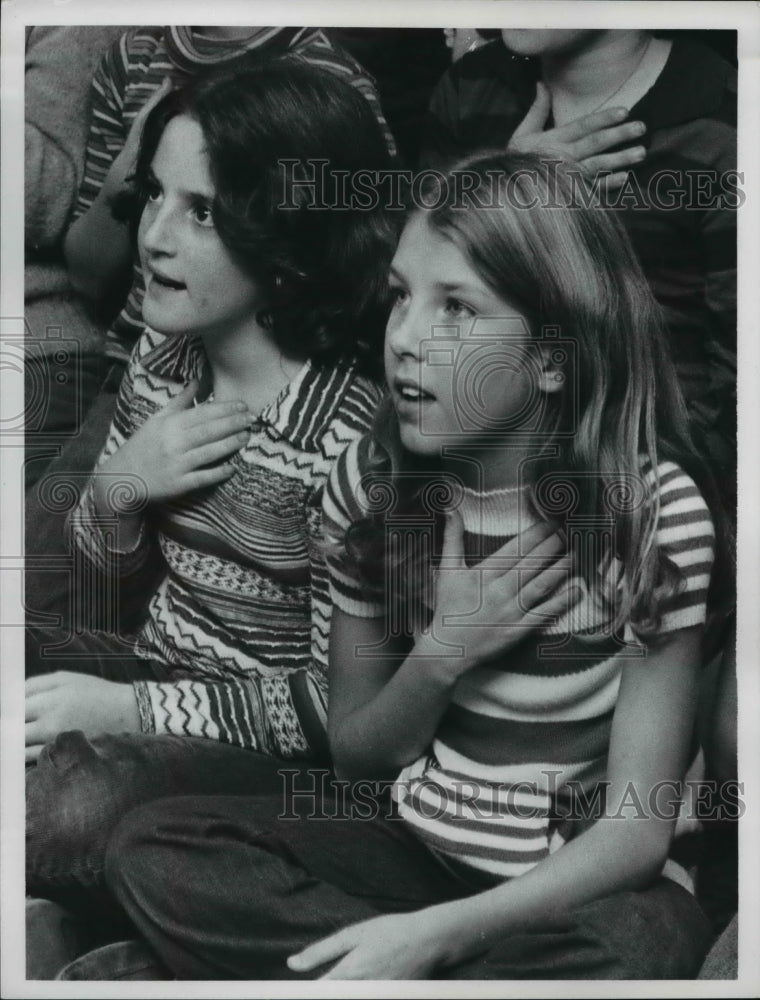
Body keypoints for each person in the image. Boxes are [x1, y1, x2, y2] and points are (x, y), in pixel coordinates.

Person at [100, 152, 728, 980]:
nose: (403, 339)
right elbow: (359, 757)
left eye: (457, 310)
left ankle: (386, 965)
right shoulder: (373, 487)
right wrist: (443, 654)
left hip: (568, 884)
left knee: (651, 939)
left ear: (550, 356)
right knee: (156, 848)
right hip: (408, 851)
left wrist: (437, 935)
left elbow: (635, 829)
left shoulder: (649, 512)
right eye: (401, 296)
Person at [25, 55, 395, 939]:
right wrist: (118, 492)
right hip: (151, 666)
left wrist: (119, 710)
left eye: (202, 213)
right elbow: (112, 599)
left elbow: (328, 718)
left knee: (63, 808)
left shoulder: (351, 439)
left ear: (291, 240)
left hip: (259, 752)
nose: (154, 236)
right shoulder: (164, 356)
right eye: (153, 196)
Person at [420, 29, 737, 522]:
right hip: (467, 471)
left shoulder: (724, 123)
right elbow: (410, 286)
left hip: (643, 496)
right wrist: (509, 188)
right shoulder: (472, 90)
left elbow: (737, 387)